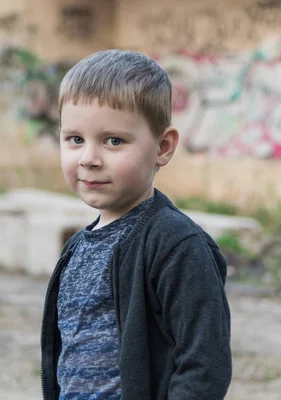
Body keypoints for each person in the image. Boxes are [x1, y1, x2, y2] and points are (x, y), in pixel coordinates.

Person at [40, 49, 232, 400]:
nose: (89, 159)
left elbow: (204, 364)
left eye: (114, 141)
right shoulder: (78, 247)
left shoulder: (176, 244)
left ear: (162, 146)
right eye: (75, 139)